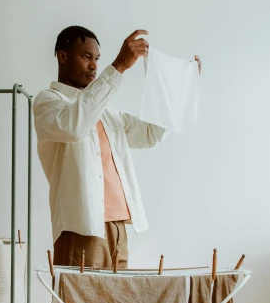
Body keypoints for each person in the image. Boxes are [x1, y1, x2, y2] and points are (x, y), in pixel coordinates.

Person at [33, 25, 201, 271]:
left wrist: (180, 88)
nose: (93, 66)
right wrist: (119, 67)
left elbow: (150, 134)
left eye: (97, 59)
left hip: (118, 226)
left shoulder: (105, 110)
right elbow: (73, 126)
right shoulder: (49, 102)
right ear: (63, 56)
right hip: (81, 226)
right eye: (86, 56)